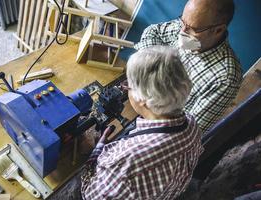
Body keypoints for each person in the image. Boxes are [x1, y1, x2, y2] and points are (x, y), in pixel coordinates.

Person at [80, 46, 204, 200]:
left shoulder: (126, 161)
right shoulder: (191, 124)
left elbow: (90, 195)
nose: (124, 88)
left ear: (142, 98)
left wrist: (96, 151)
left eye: (128, 86)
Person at [135, 0, 242, 133]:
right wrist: (151, 66)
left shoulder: (225, 78)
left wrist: (146, 110)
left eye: (193, 29)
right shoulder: (186, 25)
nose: (182, 31)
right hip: (145, 107)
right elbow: (152, 32)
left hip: (161, 132)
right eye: (182, 21)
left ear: (218, 30)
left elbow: (187, 132)